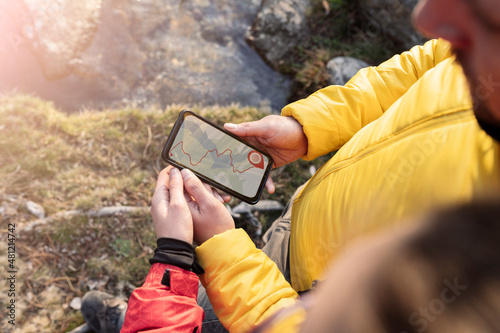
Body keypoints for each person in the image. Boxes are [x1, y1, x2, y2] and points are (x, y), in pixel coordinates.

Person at [82, 0, 500, 331]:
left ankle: (158, 318)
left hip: (302, 300)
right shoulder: (468, 43)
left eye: (487, 20)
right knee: (213, 298)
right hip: (305, 220)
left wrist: (218, 255)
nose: (425, 16)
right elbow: (424, 66)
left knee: (212, 317)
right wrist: (308, 128)